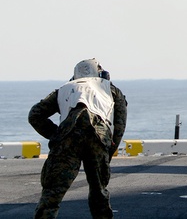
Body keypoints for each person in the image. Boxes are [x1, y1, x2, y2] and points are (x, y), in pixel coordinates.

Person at [28, 59, 128, 219]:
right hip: (98, 135)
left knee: (52, 192)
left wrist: (57, 134)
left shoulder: (64, 89)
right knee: (99, 191)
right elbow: (120, 124)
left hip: (68, 138)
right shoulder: (111, 89)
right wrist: (109, 149)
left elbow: (35, 115)